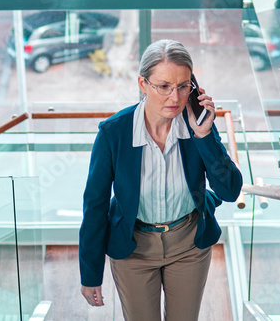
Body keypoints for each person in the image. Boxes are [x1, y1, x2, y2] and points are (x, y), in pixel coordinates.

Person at [79, 40, 243, 319]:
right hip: (133, 247)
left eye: (183, 86)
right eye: (164, 86)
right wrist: (91, 273)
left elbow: (229, 191)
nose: (175, 98)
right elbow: (95, 205)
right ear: (143, 84)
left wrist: (205, 138)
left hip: (188, 243)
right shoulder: (113, 133)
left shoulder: (198, 124)